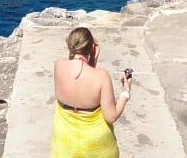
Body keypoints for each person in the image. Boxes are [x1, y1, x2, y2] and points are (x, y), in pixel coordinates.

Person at [50, 27, 132, 158]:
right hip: (95, 147)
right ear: (92, 47)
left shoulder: (59, 65)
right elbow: (111, 116)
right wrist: (125, 93)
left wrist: (91, 60)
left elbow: (78, 75)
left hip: (64, 146)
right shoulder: (101, 76)